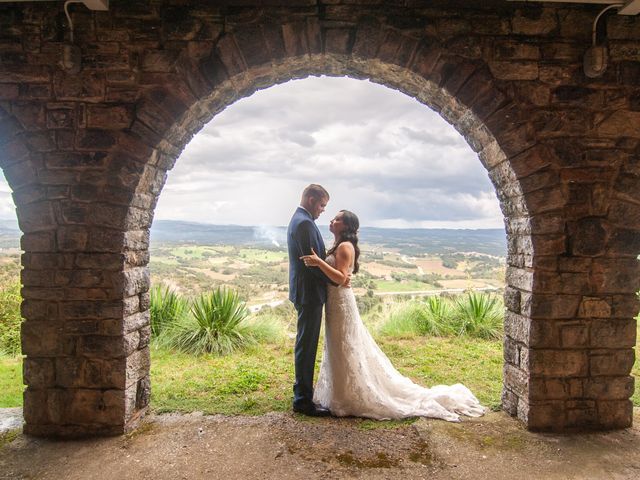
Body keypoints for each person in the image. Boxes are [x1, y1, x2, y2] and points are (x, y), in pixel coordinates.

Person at [300, 210, 485, 421]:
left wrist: (318, 262)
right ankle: (341, 393)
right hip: (335, 302)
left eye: (338, 219)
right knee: (339, 345)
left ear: (347, 226)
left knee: (344, 345)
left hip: (341, 302)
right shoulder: (340, 245)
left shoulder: (344, 246)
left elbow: (342, 278)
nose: (332, 220)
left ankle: (348, 396)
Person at [287, 184, 335, 417]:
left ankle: (303, 393)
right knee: (306, 346)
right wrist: (336, 281)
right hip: (309, 293)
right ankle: (302, 400)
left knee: (306, 343)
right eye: (322, 205)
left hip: (306, 292)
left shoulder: (301, 219)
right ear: (310, 199)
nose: (323, 210)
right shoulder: (304, 222)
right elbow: (310, 262)